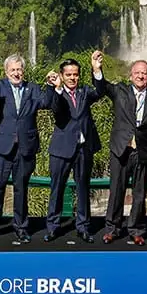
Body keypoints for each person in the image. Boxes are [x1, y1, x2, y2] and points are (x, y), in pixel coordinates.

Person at [92, 50, 147, 246]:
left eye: (144, 73)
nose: (141, 76)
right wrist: (97, 69)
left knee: (140, 192)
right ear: (130, 75)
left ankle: (136, 229)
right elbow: (102, 88)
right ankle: (112, 229)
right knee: (116, 189)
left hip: (144, 150)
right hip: (121, 148)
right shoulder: (120, 91)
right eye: (137, 73)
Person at [0, 54, 57, 243]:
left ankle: (21, 228)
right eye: (12, 70)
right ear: (6, 72)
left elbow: (45, 103)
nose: (16, 73)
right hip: (1, 147)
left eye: (19, 69)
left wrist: (50, 85)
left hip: (25, 147)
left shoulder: (32, 88)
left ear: (23, 71)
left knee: (21, 189)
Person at [43, 56, 104, 244]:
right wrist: (58, 88)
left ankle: (83, 227)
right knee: (57, 188)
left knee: (83, 188)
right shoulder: (55, 92)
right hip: (61, 148)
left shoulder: (85, 91)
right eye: (68, 75)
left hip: (83, 147)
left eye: (75, 75)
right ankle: (53, 227)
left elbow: (100, 92)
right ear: (62, 75)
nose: (72, 78)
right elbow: (56, 108)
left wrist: (96, 70)